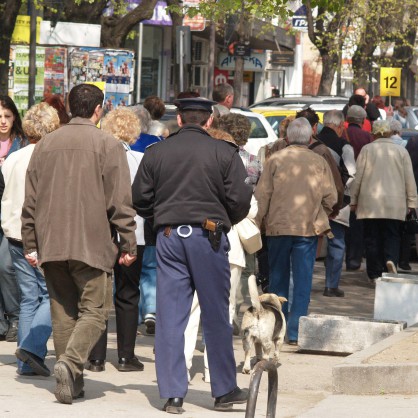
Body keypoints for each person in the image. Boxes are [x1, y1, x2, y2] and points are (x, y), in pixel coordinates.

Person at [132, 97, 252, 413]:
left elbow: (139, 198)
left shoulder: (156, 152)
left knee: (171, 316)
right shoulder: (224, 153)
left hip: (169, 237)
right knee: (216, 314)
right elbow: (240, 199)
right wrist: (222, 218)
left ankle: (172, 394)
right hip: (208, 238)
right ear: (209, 120)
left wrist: (160, 218)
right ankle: (224, 389)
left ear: (181, 120)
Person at [21, 83, 138, 404]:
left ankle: (72, 382)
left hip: (51, 241)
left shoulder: (45, 145)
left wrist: (31, 243)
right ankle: (70, 364)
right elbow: (120, 202)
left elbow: (30, 202)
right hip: (92, 243)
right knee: (95, 312)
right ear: (99, 110)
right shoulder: (108, 145)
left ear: (70, 107)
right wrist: (128, 243)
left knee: (63, 313)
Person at [255, 117, 337, 344]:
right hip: (307, 228)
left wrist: (258, 221)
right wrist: (320, 210)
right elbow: (331, 196)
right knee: (303, 280)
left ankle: (276, 330)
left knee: (278, 279)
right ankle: (295, 331)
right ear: (310, 136)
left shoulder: (275, 159)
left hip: (277, 227)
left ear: (289, 137)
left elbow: (262, 196)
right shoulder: (318, 161)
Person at [1, 102, 59, 375]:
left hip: (13, 233)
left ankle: (26, 362)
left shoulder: (14, 157)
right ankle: (33, 348)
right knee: (52, 294)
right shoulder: (50, 157)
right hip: (40, 234)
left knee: (28, 298)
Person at [87, 106, 145, 373]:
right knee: (128, 293)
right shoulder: (140, 160)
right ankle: (125, 356)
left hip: (101, 231)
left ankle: (96, 357)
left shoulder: (97, 156)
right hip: (135, 232)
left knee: (99, 294)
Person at [350, 120, 417, 282]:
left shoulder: (367, 150)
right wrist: (412, 203)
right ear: (389, 133)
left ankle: (374, 273)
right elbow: (409, 179)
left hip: (370, 203)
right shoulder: (401, 151)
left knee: (372, 238)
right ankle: (390, 261)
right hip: (395, 204)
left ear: (373, 133)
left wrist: (353, 200)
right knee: (392, 235)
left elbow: (357, 177)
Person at [317, 110, 356, 297]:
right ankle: (331, 285)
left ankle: (303, 282)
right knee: (337, 242)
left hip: (312, 202)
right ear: (340, 126)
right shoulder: (344, 146)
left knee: (310, 242)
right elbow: (351, 174)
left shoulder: (312, 142)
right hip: (337, 205)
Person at [0, 95, 27, 342]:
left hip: (12, 215)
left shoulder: (22, 143)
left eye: (7, 116)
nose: (3, 121)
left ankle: (15, 316)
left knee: (6, 266)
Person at [343, 105, 373, 271]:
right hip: (360, 185)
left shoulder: (342, 134)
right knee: (356, 224)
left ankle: (341, 256)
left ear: (347, 118)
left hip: (342, 182)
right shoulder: (366, 137)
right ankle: (353, 259)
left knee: (340, 223)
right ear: (362, 120)